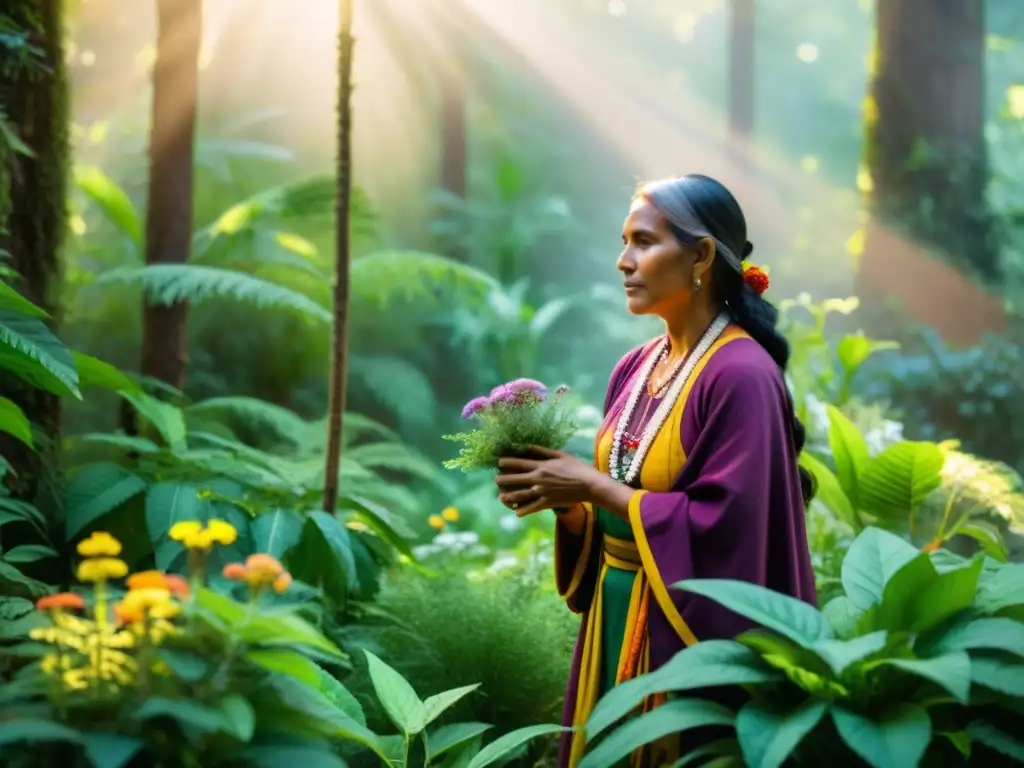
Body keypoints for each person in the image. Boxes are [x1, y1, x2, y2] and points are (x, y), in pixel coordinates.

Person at [494, 174, 818, 768]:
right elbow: (619, 497)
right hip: (612, 618)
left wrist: (592, 485)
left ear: (699, 256)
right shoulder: (634, 367)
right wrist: (569, 505)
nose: (623, 261)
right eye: (624, 241)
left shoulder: (740, 374)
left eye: (643, 242)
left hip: (682, 636)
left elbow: (726, 528)